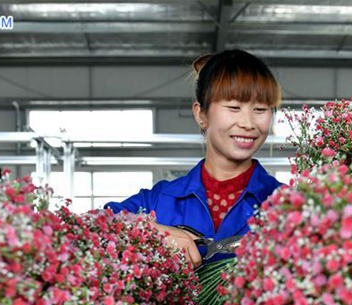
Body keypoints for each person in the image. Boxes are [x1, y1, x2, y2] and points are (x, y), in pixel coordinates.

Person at [105, 49, 284, 268]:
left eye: (260, 109)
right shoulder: (159, 201)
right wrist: (150, 232)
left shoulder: (288, 204)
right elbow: (91, 225)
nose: (248, 123)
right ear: (201, 114)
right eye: (234, 108)